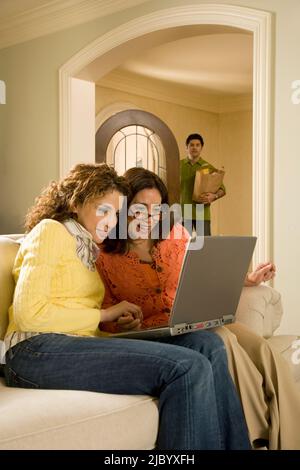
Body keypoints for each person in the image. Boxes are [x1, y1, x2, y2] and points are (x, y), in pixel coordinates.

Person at [2, 163, 251, 450]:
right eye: (103, 210)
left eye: (116, 213)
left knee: (207, 344)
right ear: (75, 203)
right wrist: (105, 314)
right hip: (33, 351)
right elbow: (28, 314)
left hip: (74, 344)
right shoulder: (50, 231)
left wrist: (118, 322)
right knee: (186, 367)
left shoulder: (85, 247)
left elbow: (82, 314)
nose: (111, 220)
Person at [97, 167, 300, 450]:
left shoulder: (175, 235)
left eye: (157, 209)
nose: (149, 216)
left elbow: (205, 272)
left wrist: (248, 279)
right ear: (124, 207)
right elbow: (104, 313)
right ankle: (253, 437)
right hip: (152, 334)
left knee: (266, 354)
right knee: (223, 339)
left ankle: (289, 441)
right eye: (140, 208)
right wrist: (122, 322)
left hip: (192, 318)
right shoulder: (105, 255)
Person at [180, 133, 226, 236]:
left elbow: (222, 189)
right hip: (183, 212)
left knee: (205, 246)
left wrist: (214, 196)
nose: (194, 147)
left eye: (197, 145)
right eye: (191, 145)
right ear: (186, 147)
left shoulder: (208, 167)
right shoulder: (179, 165)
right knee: (182, 247)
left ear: (201, 147)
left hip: (201, 211)